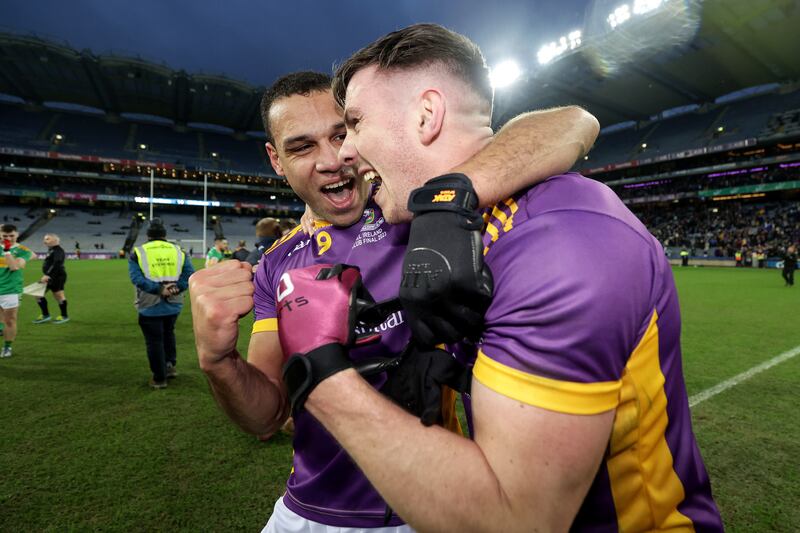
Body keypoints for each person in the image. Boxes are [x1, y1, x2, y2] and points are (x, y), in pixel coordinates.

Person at [272, 24, 723, 531]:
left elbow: (516, 519)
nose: (346, 153)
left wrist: (321, 373)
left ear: (427, 115)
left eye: (354, 123)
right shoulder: (456, 226)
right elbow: (567, 123)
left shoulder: (560, 241)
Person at [189, 69, 599, 531]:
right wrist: (218, 361)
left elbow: (574, 121)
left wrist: (451, 200)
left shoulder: (412, 211)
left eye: (341, 135)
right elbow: (268, 415)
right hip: (304, 510)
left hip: (426, 504)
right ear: (276, 161)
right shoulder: (278, 263)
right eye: (302, 147)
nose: (331, 161)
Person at [129, 218, 194, 388]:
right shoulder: (178, 251)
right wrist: (175, 289)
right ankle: (169, 366)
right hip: (174, 302)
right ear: (165, 234)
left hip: (149, 303)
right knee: (168, 333)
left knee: (154, 341)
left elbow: (136, 279)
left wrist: (159, 289)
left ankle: (159, 378)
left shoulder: (138, 252)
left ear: (148, 235)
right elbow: (189, 275)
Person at [0, 224, 33, 358]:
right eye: (5, 236)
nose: (8, 238)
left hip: (10, 290)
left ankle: (7, 347)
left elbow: (14, 267)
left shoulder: (23, 250)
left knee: (10, 320)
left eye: (12, 235)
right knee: (1, 318)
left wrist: (7, 251)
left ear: (17, 235)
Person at [33, 233, 70, 324]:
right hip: (51, 276)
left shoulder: (58, 250)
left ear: (55, 240)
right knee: (38, 294)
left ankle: (64, 316)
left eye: (47, 239)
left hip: (57, 276)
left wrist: (48, 274)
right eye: (45, 239)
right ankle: (46, 315)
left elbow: (57, 263)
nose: (44, 241)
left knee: (58, 296)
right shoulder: (52, 250)